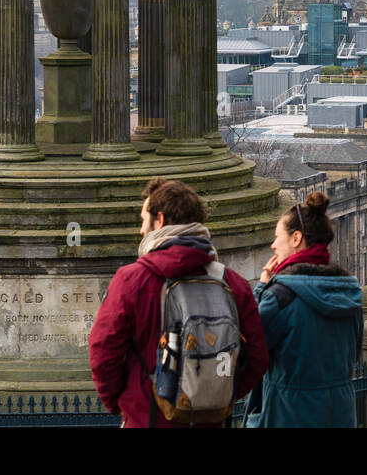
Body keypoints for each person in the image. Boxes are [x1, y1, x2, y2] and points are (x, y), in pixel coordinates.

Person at [88, 178, 269, 428]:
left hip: (147, 419)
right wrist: (215, 396)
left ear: (159, 220)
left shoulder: (132, 280)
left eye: (143, 220)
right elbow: (257, 357)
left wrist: (126, 403)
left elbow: (103, 352)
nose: (141, 230)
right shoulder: (233, 284)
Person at [247, 192, 363, 427]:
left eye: (277, 236)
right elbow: (355, 352)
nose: (272, 244)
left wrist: (261, 290)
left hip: (288, 413)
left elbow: (251, 348)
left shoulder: (279, 296)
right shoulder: (349, 292)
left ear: (296, 238)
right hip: (339, 412)